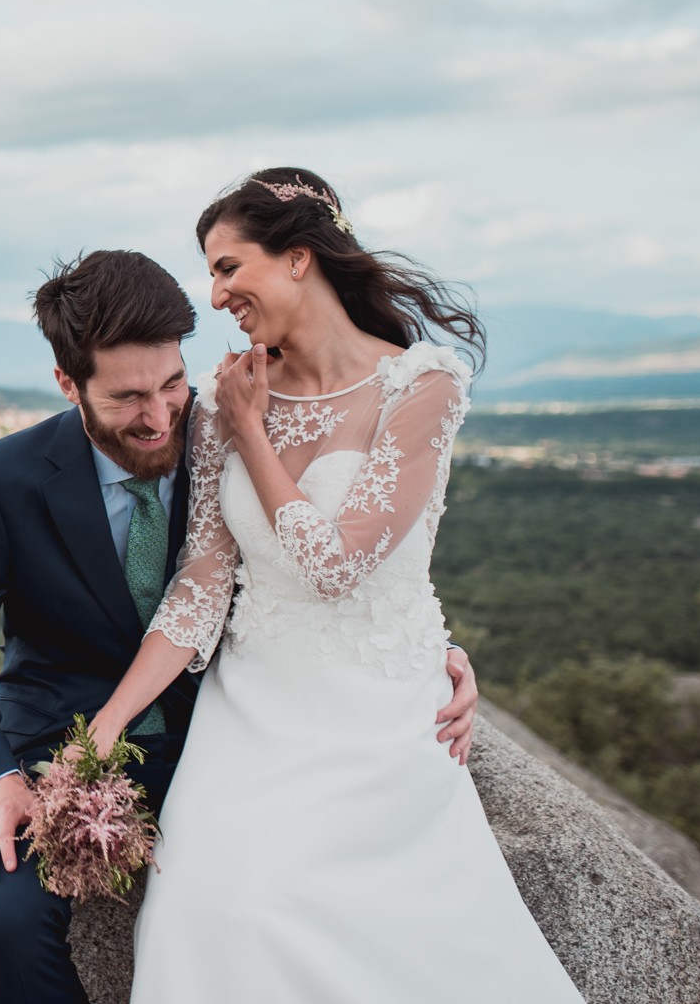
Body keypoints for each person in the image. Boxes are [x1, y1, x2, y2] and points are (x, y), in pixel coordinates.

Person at [0, 246, 483, 1004]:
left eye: (172, 384)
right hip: (58, 742)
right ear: (66, 383)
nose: (158, 418)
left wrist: (426, 649)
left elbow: (322, 559)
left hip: (224, 738)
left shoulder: (225, 434)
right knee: (8, 913)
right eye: (126, 399)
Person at [100, 168, 581, 1001]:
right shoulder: (223, 400)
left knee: (291, 908)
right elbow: (203, 583)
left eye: (226, 266)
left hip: (377, 715)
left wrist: (251, 430)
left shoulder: (419, 385)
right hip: (249, 708)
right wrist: (104, 725)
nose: (214, 296)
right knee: (203, 906)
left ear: (296, 257)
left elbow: (339, 566)